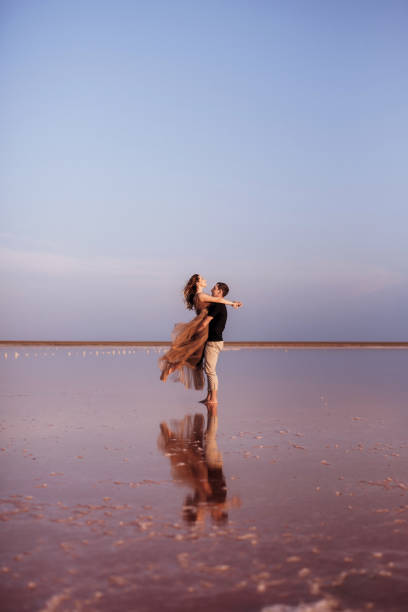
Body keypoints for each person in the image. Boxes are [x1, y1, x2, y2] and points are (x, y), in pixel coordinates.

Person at [159, 274, 242, 390]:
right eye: (202, 279)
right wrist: (233, 303)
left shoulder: (200, 296)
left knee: (191, 355)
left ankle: (171, 368)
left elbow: (216, 300)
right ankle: (171, 368)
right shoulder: (201, 295)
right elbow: (218, 299)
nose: (205, 280)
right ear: (197, 283)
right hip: (203, 330)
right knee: (192, 355)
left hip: (202, 328)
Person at [198, 282, 232, 405]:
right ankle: (209, 397)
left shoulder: (218, 305)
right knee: (208, 369)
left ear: (220, 292)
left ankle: (214, 398)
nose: (212, 289)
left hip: (214, 341)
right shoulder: (218, 304)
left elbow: (205, 322)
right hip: (213, 341)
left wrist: (194, 333)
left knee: (210, 371)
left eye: (215, 288)